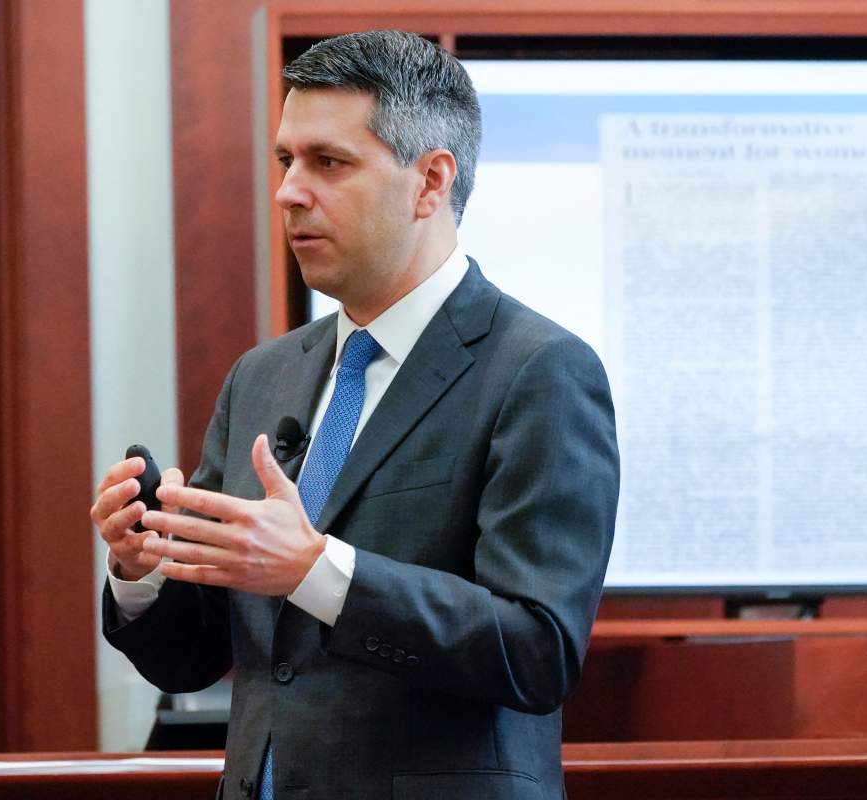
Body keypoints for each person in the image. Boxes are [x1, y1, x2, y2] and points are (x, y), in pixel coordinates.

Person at [92, 29, 619, 800]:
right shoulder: (263, 377)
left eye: (328, 163)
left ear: (430, 182)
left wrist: (316, 570)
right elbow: (194, 659)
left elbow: (536, 651)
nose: (289, 192)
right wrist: (140, 570)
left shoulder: (539, 371)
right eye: (286, 161)